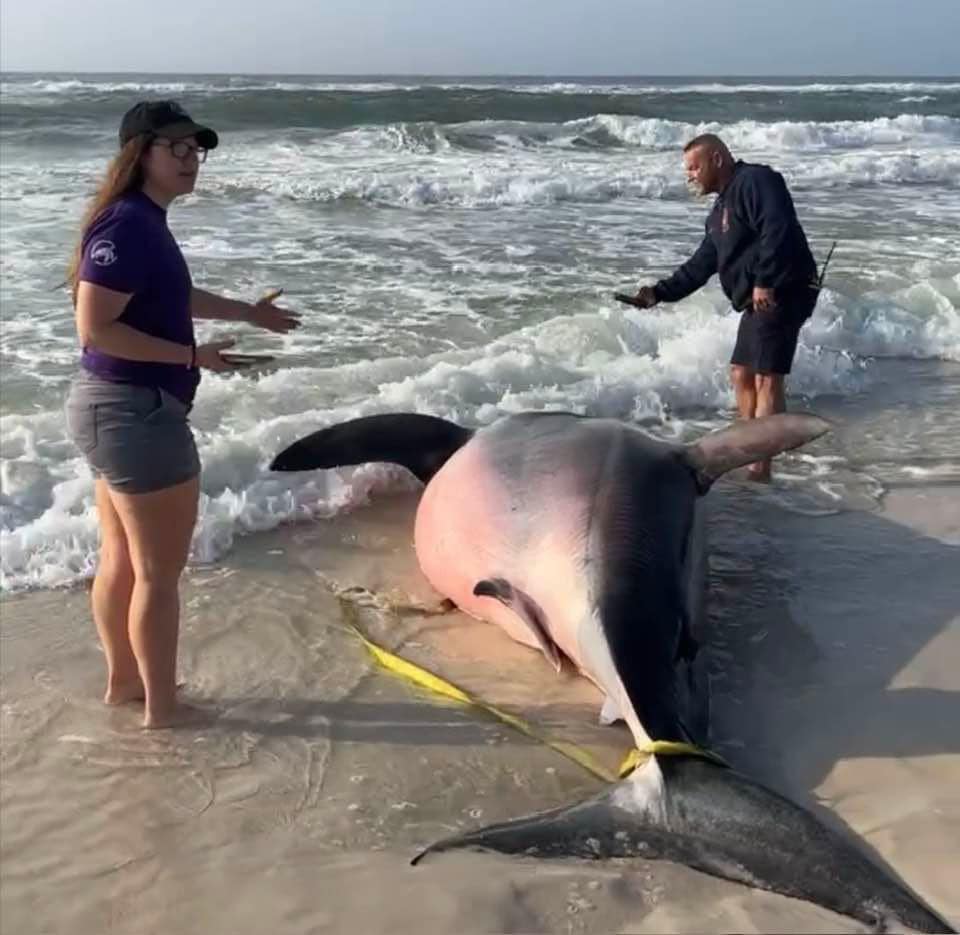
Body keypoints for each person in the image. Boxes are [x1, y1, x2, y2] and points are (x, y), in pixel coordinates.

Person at [64, 100, 300, 728]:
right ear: (140, 152)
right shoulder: (128, 226)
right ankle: (164, 712)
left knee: (122, 562)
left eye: (197, 150)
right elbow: (96, 328)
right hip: (134, 413)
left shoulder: (142, 220)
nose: (192, 160)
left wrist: (248, 314)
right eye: (178, 148)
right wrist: (192, 356)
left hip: (111, 409)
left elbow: (171, 295)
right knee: (158, 576)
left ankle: (126, 687)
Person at [632, 134, 820, 481]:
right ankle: (750, 447)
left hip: (784, 289)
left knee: (766, 378)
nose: (690, 176)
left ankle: (759, 470)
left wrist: (765, 280)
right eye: (687, 170)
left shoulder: (757, 180)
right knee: (740, 373)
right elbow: (700, 266)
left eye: (694, 167)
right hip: (758, 299)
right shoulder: (718, 213)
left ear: (717, 159)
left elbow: (777, 228)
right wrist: (658, 293)